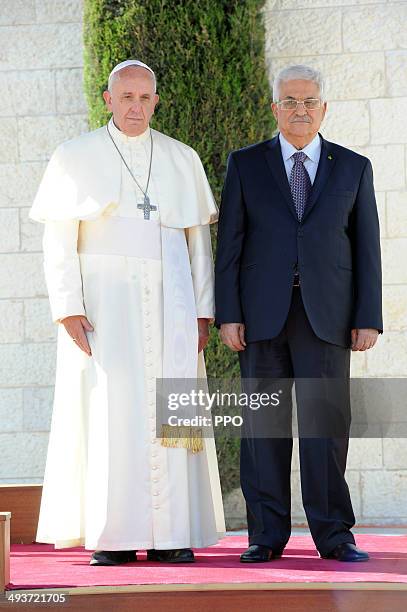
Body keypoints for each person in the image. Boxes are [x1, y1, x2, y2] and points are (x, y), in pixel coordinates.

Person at [30, 59, 225, 566]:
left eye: (144, 98)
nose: (135, 107)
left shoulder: (182, 159)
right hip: (104, 307)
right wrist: (68, 308)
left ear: (155, 101)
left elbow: (198, 242)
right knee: (109, 411)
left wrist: (203, 310)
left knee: (171, 406)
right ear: (108, 98)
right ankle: (112, 535)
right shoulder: (74, 156)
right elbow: (59, 240)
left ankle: (173, 533)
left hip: (172, 303)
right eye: (126, 97)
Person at [215, 65, 382, 563]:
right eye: (290, 100)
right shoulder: (245, 165)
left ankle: (334, 536)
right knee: (262, 430)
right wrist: (228, 313)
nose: (300, 109)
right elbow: (230, 245)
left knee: (326, 429)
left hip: (328, 319)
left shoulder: (354, 167)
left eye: (309, 101)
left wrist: (367, 316)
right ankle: (265, 537)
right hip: (261, 319)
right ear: (275, 108)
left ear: (324, 108)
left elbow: (367, 248)